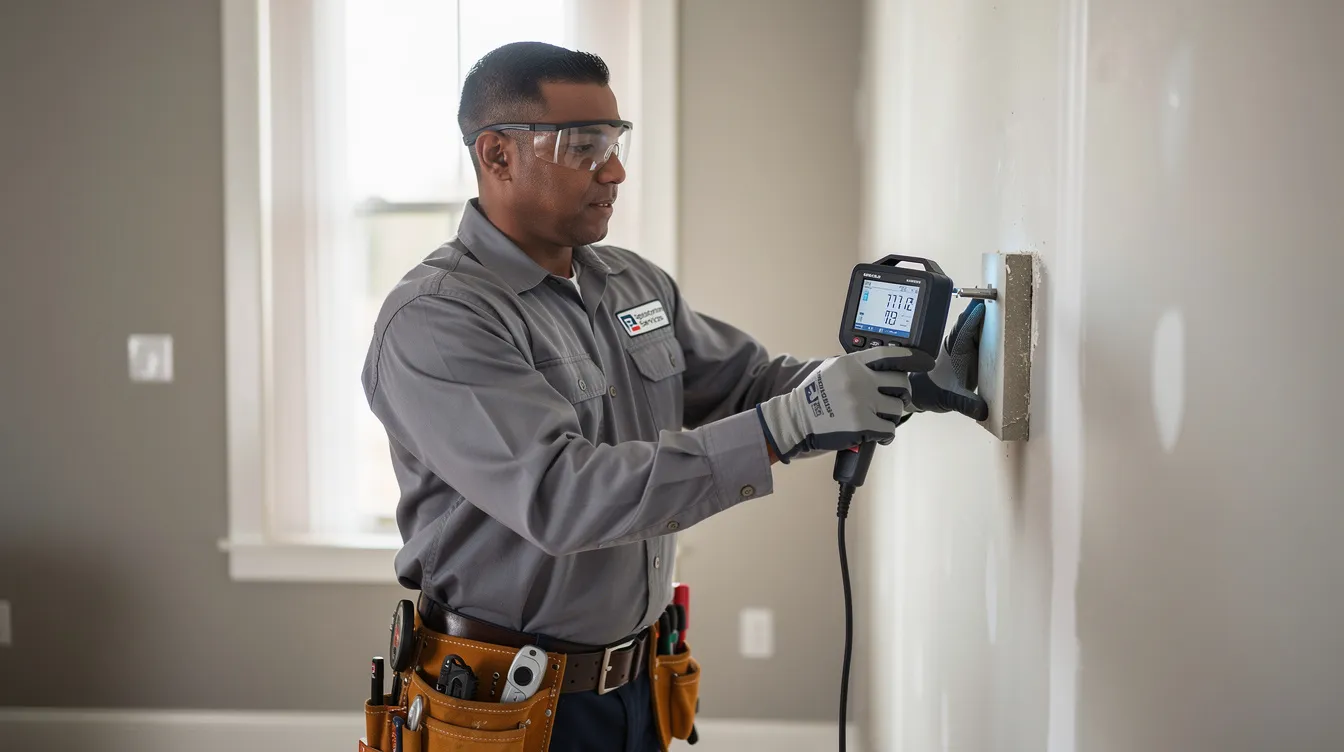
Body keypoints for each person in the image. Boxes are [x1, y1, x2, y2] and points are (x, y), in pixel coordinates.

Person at [361, 41, 985, 752]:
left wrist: (906, 379)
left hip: (639, 685)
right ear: (498, 155)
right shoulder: (439, 319)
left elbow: (750, 384)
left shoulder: (632, 284)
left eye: (615, 140)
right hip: (502, 707)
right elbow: (562, 497)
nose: (615, 170)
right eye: (584, 145)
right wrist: (789, 423)